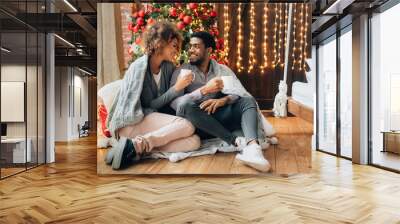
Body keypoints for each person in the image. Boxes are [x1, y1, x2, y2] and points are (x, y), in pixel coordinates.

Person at [170, 31, 273, 172]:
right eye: (190, 46)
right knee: (185, 105)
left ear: (208, 50)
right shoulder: (182, 72)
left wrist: (224, 100)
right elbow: (176, 104)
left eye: (196, 46)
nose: (191, 50)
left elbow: (239, 93)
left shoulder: (222, 70)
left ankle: (254, 149)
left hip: (219, 117)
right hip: (198, 123)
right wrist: (203, 91)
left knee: (247, 100)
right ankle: (235, 141)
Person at [106, 22, 200, 170]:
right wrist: (176, 87)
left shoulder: (167, 67)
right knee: (186, 126)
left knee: (195, 142)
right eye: (174, 45)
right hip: (132, 122)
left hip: (147, 123)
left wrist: (182, 82)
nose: (177, 50)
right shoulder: (140, 67)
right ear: (159, 42)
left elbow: (169, 101)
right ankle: (136, 144)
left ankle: (132, 148)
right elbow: (151, 105)